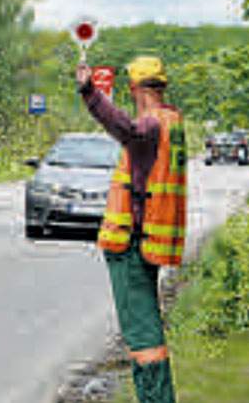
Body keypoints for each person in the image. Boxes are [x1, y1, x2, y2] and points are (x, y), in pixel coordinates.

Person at [76, 56, 186, 403]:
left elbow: (124, 128)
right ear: (161, 85)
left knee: (143, 337)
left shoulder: (150, 126)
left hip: (130, 244)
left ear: (135, 89)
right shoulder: (173, 123)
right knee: (146, 332)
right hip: (150, 241)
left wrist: (90, 94)